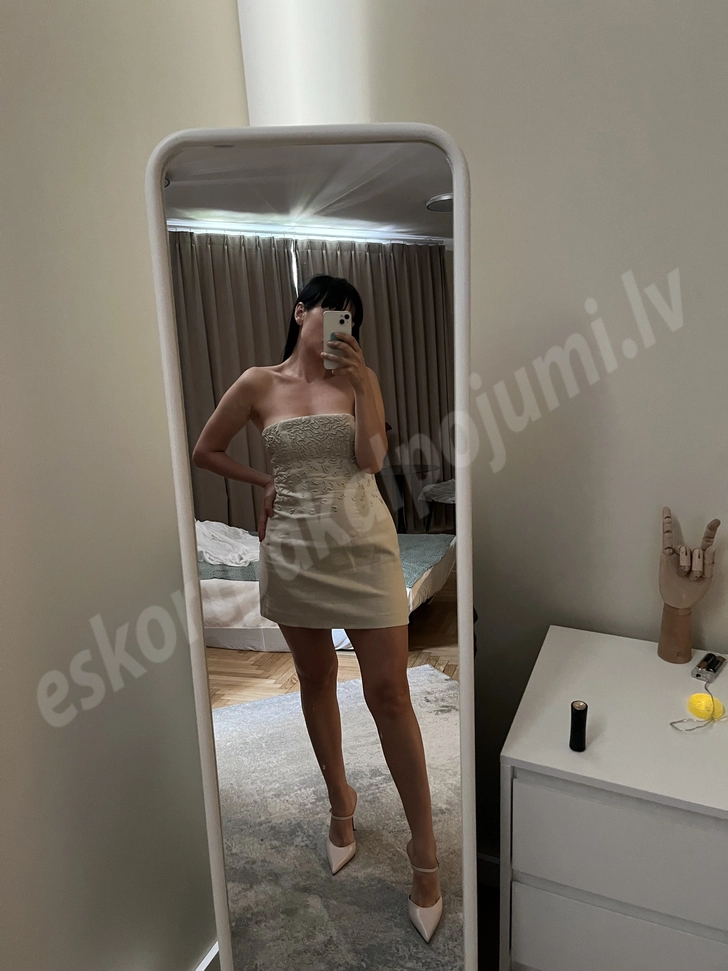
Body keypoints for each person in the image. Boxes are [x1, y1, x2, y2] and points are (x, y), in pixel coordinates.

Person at [192, 274, 442, 943]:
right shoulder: (257, 383)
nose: (342, 325)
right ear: (301, 311)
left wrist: (364, 385)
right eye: (334, 311)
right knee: (315, 678)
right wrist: (264, 481)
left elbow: (370, 460)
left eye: (352, 317)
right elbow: (205, 450)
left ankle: (424, 849)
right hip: (294, 552)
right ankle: (340, 801)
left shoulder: (361, 379)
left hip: (363, 547)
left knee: (391, 694)